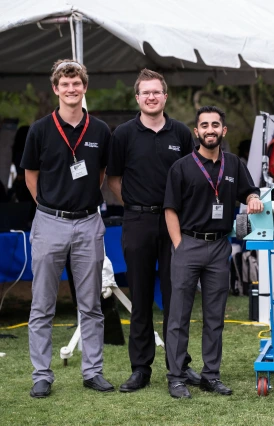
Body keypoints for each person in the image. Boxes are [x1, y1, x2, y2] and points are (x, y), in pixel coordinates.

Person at [21, 59, 114, 397]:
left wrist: (81, 202)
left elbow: (102, 173)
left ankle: (92, 372)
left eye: (77, 84)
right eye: (65, 84)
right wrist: (47, 206)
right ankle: (41, 375)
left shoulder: (101, 130)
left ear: (84, 88)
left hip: (89, 223)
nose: (71, 89)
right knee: (42, 303)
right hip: (49, 223)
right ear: (56, 89)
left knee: (90, 304)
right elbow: (30, 174)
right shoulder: (40, 130)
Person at [106, 69, 198, 392]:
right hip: (137, 222)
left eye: (156, 92)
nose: (151, 97)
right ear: (137, 98)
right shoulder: (124, 135)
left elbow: (192, 178)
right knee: (141, 296)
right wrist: (133, 204)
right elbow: (113, 179)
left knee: (176, 296)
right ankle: (140, 369)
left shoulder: (182, 134)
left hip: (175, 223)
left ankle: (180, 365)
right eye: (145, 92)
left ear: (165, 96)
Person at [163, 106, 263, 399]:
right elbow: (170, 209)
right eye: (204, 125)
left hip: (220, 247)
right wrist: (179, 245)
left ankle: (210, 375)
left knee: (214, 316)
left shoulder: (233, 164)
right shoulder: (181, 167)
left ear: (223, 130)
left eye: (215, 124)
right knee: (179, 316)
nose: (210, 129)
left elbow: (250, 190)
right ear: (197, 132)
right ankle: (177, 377)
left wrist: (254, 197)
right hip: (188, 244)